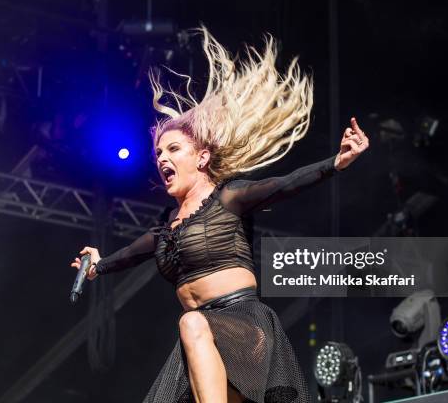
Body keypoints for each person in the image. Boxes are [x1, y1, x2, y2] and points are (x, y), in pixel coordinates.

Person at [71, 27, 369, 403]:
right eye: (159, 154)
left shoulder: (228, 197)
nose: (162, 158)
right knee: (194, 336)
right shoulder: (168, 225)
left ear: (201, 157)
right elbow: (133, 252)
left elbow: (285, 183)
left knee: (191, 323)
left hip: (243, 325)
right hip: (201, 340)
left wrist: (335, 163)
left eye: (174, 149)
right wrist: (100, 265)